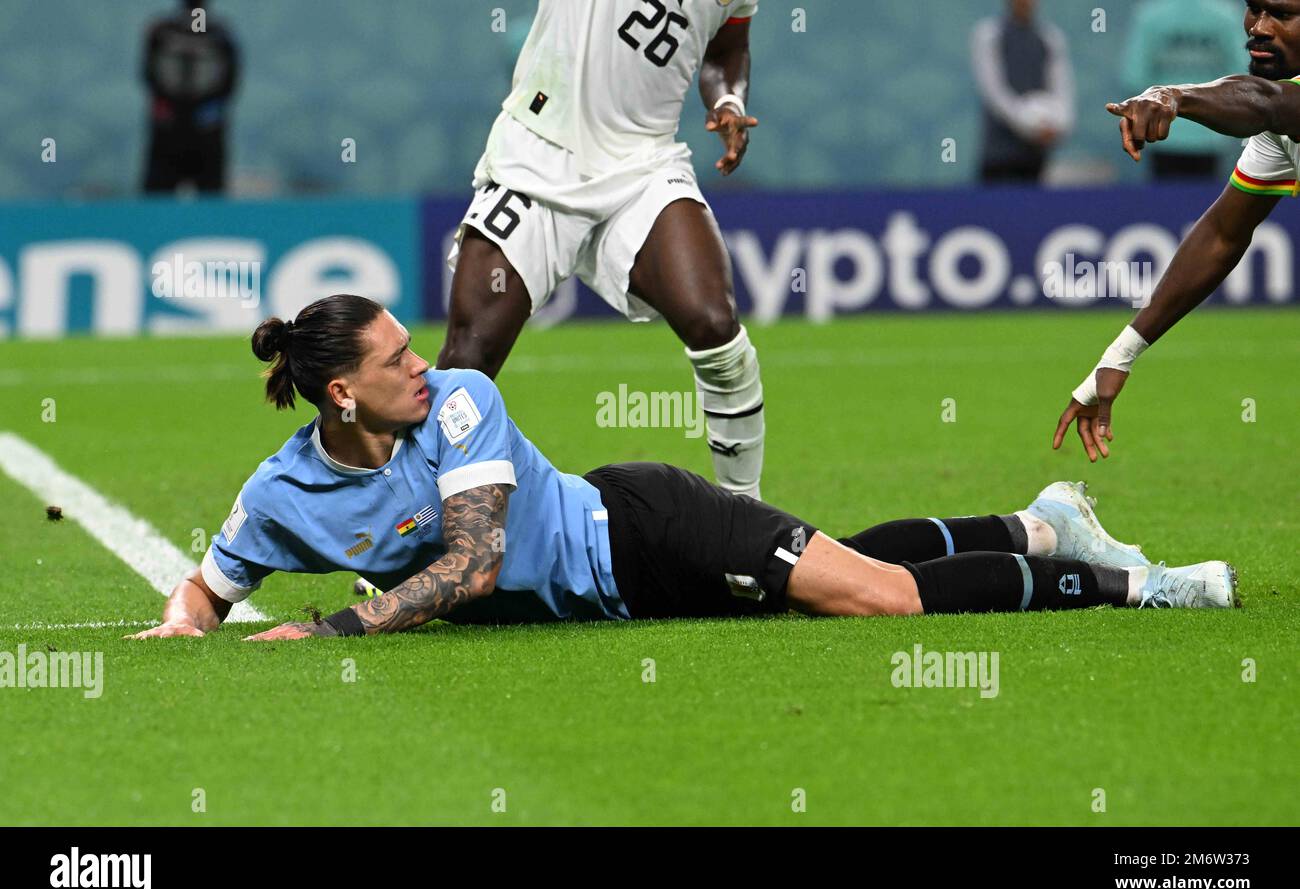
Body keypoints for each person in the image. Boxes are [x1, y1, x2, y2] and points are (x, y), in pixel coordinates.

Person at [127, 296, 1236, 642]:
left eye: (415, 345)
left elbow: (472, 567)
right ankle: (1034, 524)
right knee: (829, 569)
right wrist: (180, 628)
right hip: (630, 595)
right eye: (396, 358)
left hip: (646, 523)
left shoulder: (460, 403)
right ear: (339, 393)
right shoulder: (281, 494)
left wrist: (333, 630)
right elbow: (208, 587)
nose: (424, 364)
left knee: (873, 597)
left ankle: (1134, 583)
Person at [438, 0, 767, 500]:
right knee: (469, 357)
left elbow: (726, 51)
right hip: (538, 154)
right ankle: (412, 538)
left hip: (643, 164)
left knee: (715, 327)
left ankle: (748, 520)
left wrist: (728, 102)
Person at [1053, 0, 1300, 460]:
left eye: (1282, 14)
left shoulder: (1279, 108)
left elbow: (1266, 103)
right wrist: (1118, 355)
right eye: (1254, 9)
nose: (1259, 27)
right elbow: (1222, 236)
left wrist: (1174, 97)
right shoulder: (1280, 124)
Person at [1123, 0, 1244, 180]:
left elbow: (1133, 77)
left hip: (1162, 130)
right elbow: (1241, 72)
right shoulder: (1226, 15)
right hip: (1211, 130)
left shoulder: (1151, 16)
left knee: (1166, 202)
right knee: (1207, 202)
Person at [971, 0, 1076, 183]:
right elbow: (994, 92)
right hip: (998, 155)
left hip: (1036, 157)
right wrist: (1031, 125)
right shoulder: (989, 34)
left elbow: (1062, 89)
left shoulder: (1049, 37)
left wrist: (1058, 125)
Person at [141, 0, 239, 194]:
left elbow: (148, 74)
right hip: (180, 121)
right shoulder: (218, 33)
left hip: (195, 121)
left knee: (204, 192)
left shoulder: (163, 32)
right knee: (163, 190)